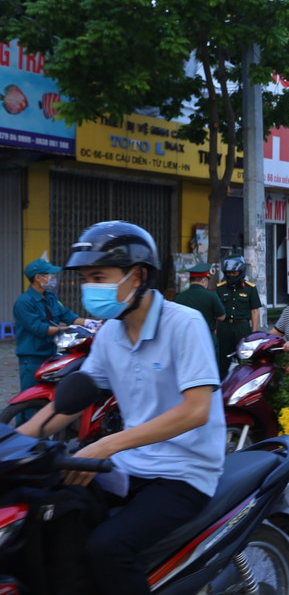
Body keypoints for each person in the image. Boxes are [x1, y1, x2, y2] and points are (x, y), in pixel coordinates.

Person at [19, 221, 225, 594]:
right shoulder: (110, 333)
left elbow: (196, 411)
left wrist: (107, 445)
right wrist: (13, 443)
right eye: (85, 278)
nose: (89, 288)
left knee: (108, 548)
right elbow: (68, 403)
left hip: (184, 473)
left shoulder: (185, 324)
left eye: (99, 276)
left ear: (138, 276)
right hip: (130, 465)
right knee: (52, 518)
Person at [13, 258, 87, 392]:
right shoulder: (24, 302)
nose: (53, 278)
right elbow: (39, 328)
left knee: (47, 393)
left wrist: (89, 323)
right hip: (32, 357)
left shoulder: (51, 298)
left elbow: (68, 315)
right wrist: (67, 329)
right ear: (38, 278)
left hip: (50, 354)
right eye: (49, 275)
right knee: (30, 395)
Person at [215, 256, 261, 377]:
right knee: (222, 361)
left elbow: (255, 311)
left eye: (234, 272)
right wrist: (215, 331)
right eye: (228, 273)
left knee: (246, 360)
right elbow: (216, 312)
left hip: (242, 327)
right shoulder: (220, 288)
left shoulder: (250, 288)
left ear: (241, 272)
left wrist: (254, 333)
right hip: (224, 327)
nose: (231, 275)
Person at [174, 263, 225, 350]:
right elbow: (222, 317)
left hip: (186, 339)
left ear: (190, 280)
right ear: (204, 280)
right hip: (207, 338)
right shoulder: (211, 296)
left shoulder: (179, 297)